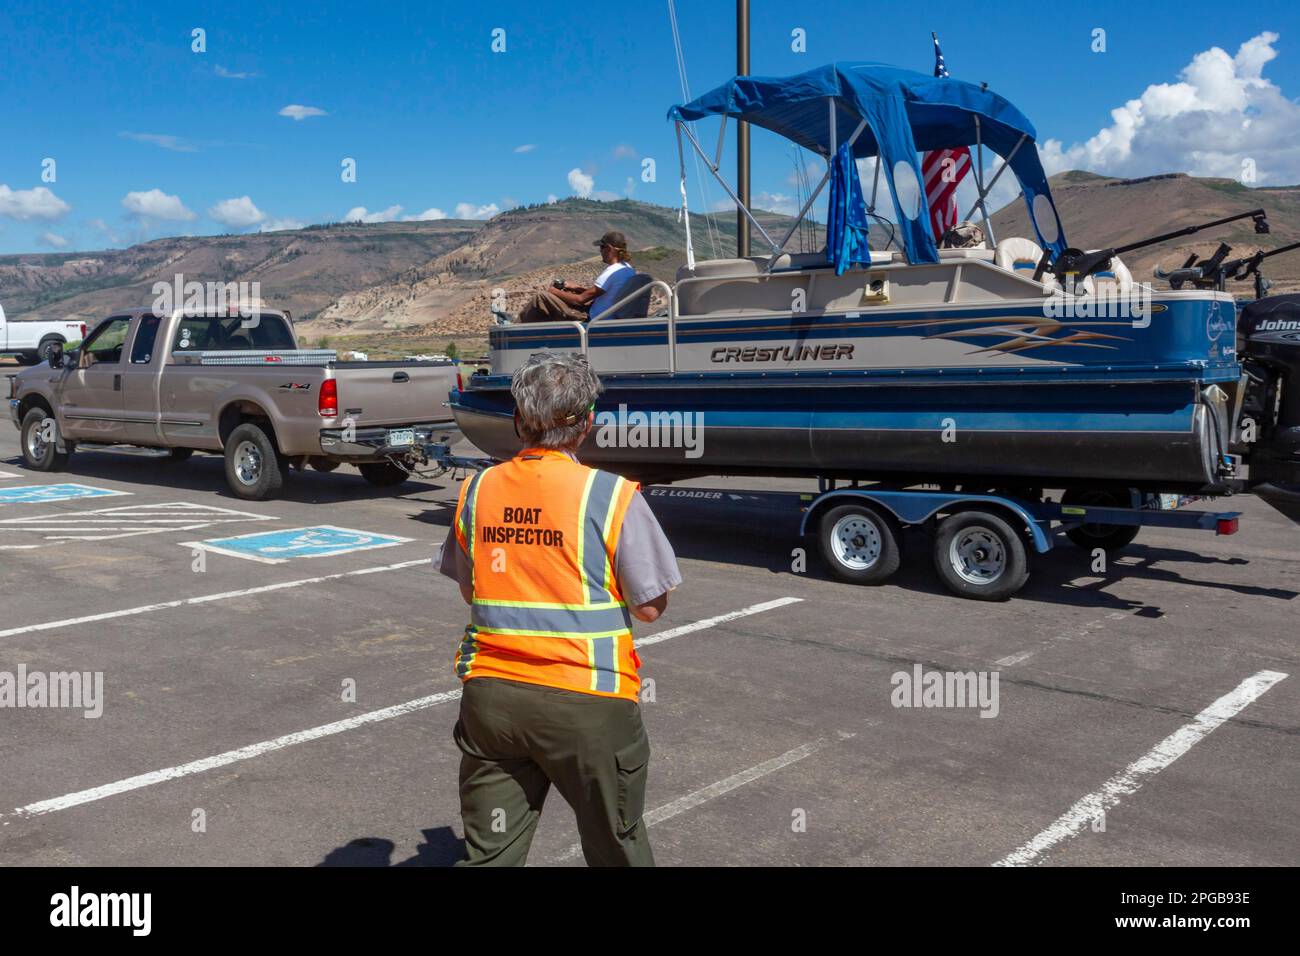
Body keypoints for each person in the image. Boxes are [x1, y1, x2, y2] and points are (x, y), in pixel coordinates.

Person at [437, 351, 681, 866]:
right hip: (587, 700)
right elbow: (651, 608)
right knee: (616, 847)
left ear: (520, 420)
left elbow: (470, 589)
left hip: (492, 700)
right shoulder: (610, 495)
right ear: (587, 422)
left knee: (491, 854)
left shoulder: (476, 490)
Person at [517, 230, 636, 323]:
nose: (600, 251)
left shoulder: (612, 271)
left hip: (590, 317)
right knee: (568, 295)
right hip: (605, 314)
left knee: (541, 297)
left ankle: (513, 333)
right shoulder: (627, 269)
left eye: (601, 247)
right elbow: (603, 293)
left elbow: (580, 300)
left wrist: (553, 291)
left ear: (609, 249)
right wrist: (577, 288)